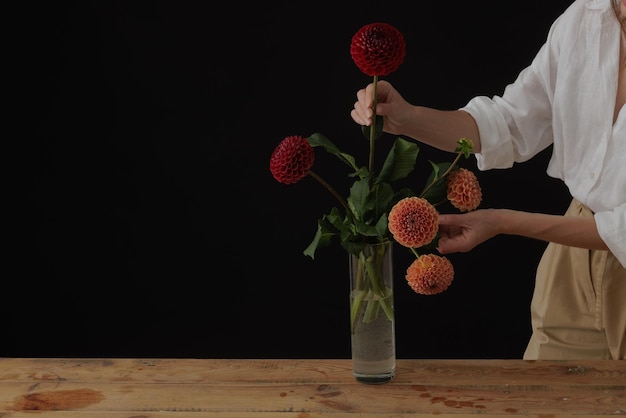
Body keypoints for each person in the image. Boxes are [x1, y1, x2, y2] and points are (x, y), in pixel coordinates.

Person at [351, 0, 625, 360]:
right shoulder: (585, 17)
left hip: (602, 243)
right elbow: (511, 123)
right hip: (572, 257)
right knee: (541, 400)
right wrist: (407, 118)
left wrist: (501, 221)